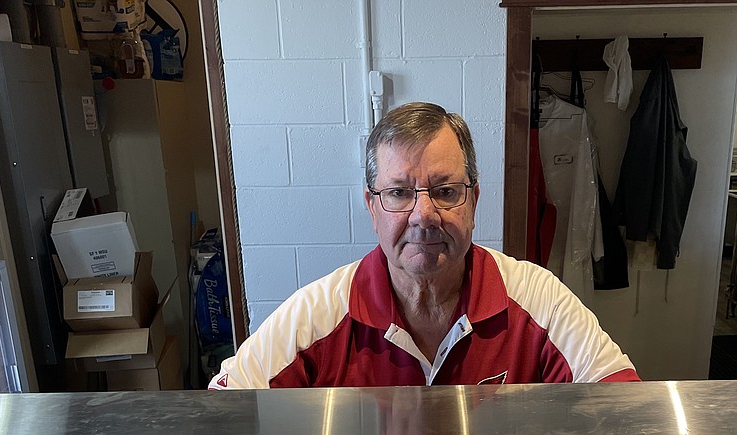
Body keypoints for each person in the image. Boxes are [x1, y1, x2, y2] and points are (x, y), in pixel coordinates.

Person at [209, 102, 638, 389]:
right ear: (372, 208)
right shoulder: (317, 316)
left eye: (446, 191)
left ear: (473, 200)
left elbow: (622, 406)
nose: (423, 215)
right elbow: (223, 413)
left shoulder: (539, 301)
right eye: (398, 193)